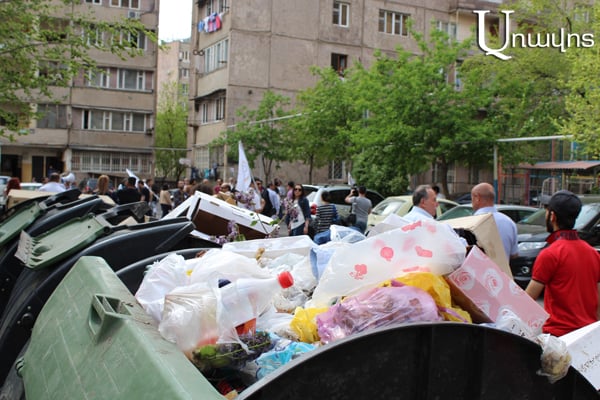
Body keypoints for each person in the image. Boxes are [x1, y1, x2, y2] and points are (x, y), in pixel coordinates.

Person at [525, 190, 600, 336]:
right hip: (586, 335)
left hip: (558, 337)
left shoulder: (550, 254)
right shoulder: (593, 253)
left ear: (552, 216)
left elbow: (527, 300)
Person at [471, 182, 518, 261]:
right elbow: (514, 254)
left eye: (472, 199)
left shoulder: (471, 222)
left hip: (477, 268)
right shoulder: (509, 222)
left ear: (477, 197)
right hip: (502, 268)